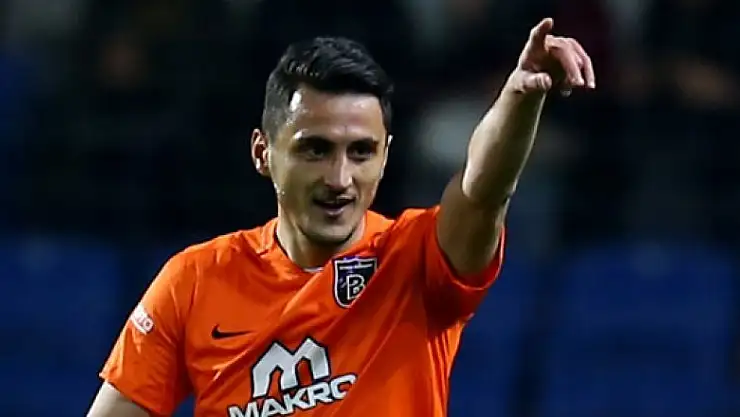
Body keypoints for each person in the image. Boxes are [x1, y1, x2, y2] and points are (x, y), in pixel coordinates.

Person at [87, 17, 594, 417]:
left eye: (361, 152)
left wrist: (518, 98)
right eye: (315, 149)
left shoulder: (417, 258)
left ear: (385, 156)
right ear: (263, 153)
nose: (339, 178)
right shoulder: (194, 280)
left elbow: (483, 192)